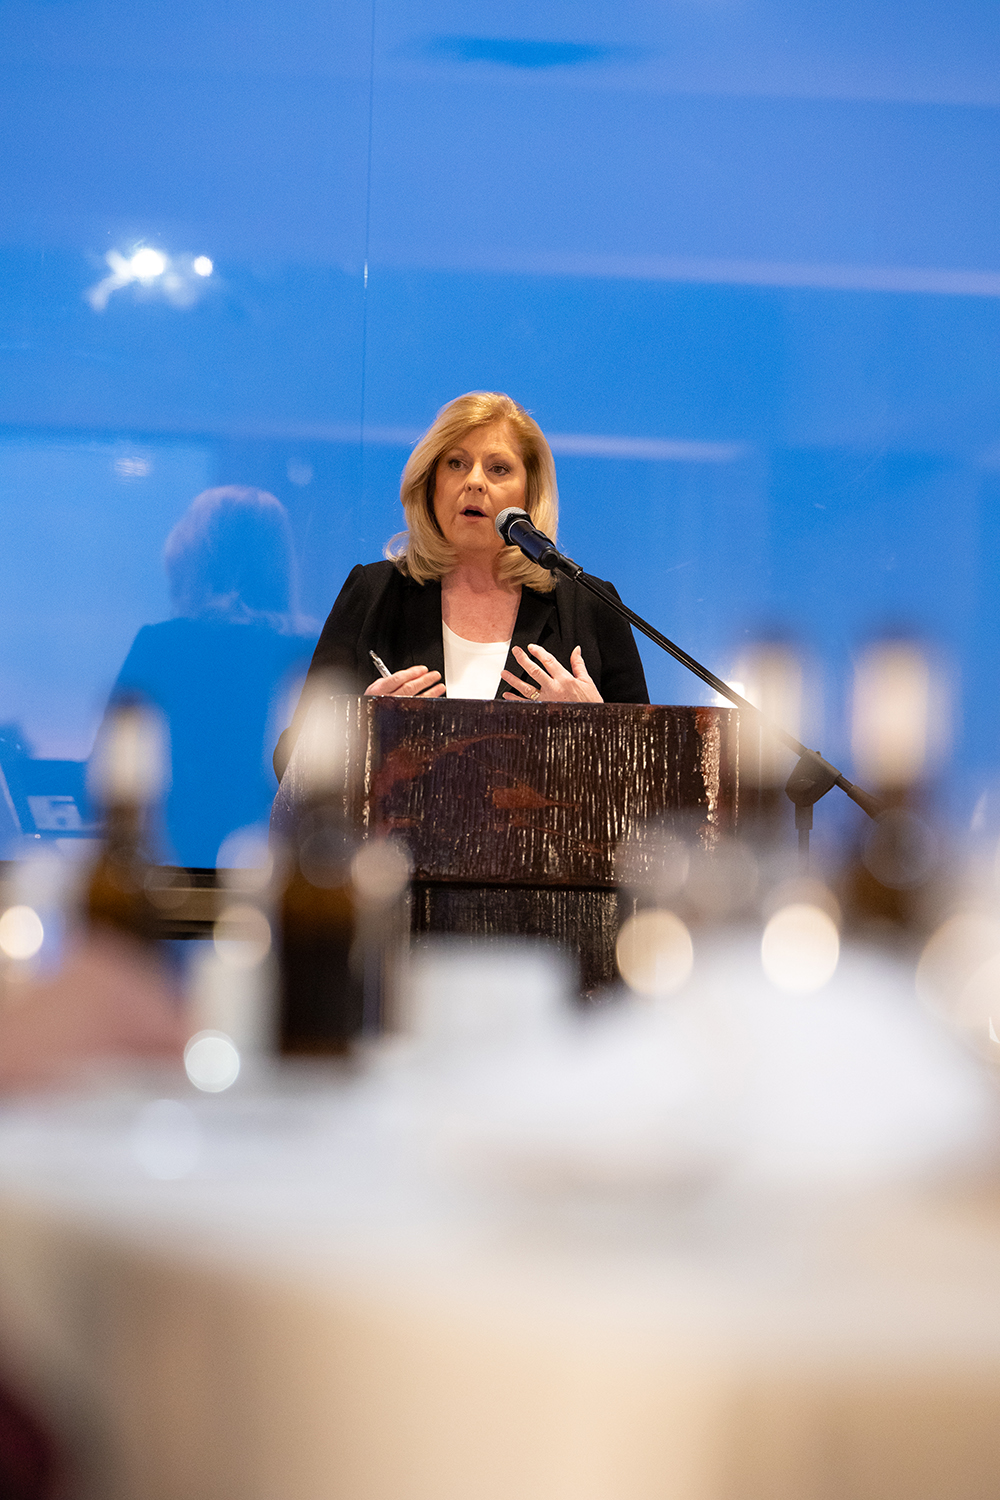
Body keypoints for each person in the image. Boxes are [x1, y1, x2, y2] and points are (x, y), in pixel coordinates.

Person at [275, 392, 647, 779]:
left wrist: (598, 728)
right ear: (431, 482)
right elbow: (289, 761)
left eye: (499, 469)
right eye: (456, 463)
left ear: (529, 492)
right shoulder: (373, 592)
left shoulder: (591, 605)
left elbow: (650, 776)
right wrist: (357, 727)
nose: (474, 482)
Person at [108, 487, 317, 866]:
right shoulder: (310, 647)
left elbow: (114, 761)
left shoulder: (161, 644)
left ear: (196, 557)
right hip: (280, 866)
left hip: (170, 861)